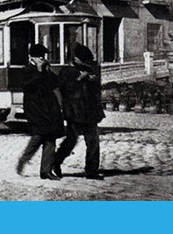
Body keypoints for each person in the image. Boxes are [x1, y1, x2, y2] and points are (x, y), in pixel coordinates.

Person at [53, 44, 106, 180]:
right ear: (76, 59)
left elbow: (95, 92)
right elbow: (65, 89)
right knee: (71, 141)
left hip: (89, 112)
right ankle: (56, 162)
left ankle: (91, 171)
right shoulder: (66, 71)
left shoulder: (90, 70)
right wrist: (79, 79)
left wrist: (93, 81)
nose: (86, 63)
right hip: (75, 112)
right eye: (84, 61)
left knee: (93, 141)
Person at [16, 44, 65, 180]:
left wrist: (47, 71)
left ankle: (46, 171)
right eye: (39, 56)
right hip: (35, 108)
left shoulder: (45, 69)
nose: (42, 59)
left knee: (51, 138)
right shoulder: (27, 69)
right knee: (37, 136)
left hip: (49, 108)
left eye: (43, 56)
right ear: (32, 57)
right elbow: (27, 85)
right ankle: (24, 159)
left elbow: (55, 83)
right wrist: (38, 71)